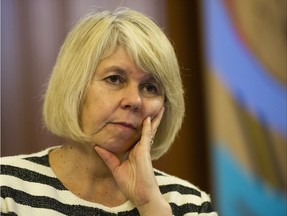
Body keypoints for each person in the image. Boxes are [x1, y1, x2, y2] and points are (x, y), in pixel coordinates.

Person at [0, 8, 217, 216]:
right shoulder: (7, 188)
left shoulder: (189, 204)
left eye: (150, 87)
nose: (134, 100)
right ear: (74, 87)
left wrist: (150, 206)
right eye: (114, 79)